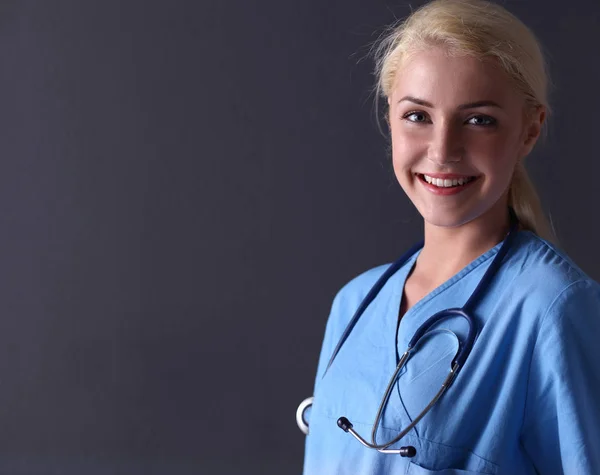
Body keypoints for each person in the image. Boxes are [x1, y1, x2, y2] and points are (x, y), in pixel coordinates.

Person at [301, 0, 600, 473]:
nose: (442, 151)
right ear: (390, 119)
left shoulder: (552, 308)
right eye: (417, 116)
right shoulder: (354, 304)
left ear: (529, 131)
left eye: (478, 119)